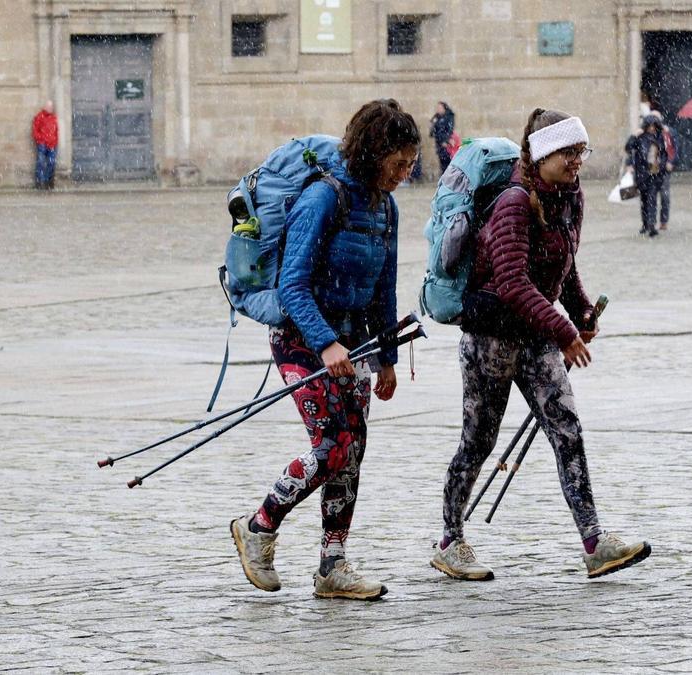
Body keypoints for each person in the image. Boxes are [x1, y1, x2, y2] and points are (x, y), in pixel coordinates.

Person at [430, 108, 651, 582]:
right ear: (542, 153)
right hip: (491, 338)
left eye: (581, 151)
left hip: (536, 337)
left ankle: (594, 542)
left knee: (566, 430)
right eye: (568, 152)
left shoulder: (571, 198)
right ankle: (450, 540)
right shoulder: (512, 202)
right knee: (478, 442)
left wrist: (582, 311)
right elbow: (511, 282)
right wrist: (566, 333)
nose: (577, 161)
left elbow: (563, 267)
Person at [230, 99, 419, 601]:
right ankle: (259, 525)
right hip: (301, 338)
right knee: (334, 445)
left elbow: (384, 289)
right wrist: (326, 341)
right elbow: (292, 286)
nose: (405, 173)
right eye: (398, 163)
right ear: (373, 153)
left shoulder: (386, 207)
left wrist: (387, 359)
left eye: (411, 163)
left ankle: (332, 566)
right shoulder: (322, 198)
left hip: (352, 343)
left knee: (352, 451)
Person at [624, 115, 668, 237]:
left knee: (652, 199)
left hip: (655, 174)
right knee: (644, 200)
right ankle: (645, 224)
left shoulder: (659, 138)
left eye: (654, 125)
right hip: (642, 174)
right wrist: (634, 135)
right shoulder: (640, 138)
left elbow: (664, 154)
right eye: (650, 125)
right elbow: (628, 148)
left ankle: (652, 225)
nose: (652, 128)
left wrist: (662, 165)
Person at [653, 111, 677, 230]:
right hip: (651, 170)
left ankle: (663, 221)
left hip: (664, 170)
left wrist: (671, 162)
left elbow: (674, 148)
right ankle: (650, 221)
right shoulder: (647, 133)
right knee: (650, 196)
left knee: (664, 196)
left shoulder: (668, 132)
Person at [31, 100, 58, 190]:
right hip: (42, 144)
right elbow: (35, 130)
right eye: (49, 107)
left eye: (51, 107)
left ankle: (48, 180)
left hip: (52, 144)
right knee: (41, 162)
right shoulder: (39, 117)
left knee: (51, 162)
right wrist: (41, 140)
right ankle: (40, 181)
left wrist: (55, 141)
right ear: (45, 107)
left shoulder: (53, 118)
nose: (50, 108)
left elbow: (56, 131)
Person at [430, 101, 456, 176]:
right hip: (439, 144)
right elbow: (432, 133)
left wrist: (446, 140)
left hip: (446, 144)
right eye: (437, 108)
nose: (438, 109)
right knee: (442, 163)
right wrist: (433, 124)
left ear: (444, 108)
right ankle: (444, 179)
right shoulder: (436, 117)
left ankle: (449, 179)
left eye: (440, 108)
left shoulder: (449, 116)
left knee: (448, 163)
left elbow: (449, 130)